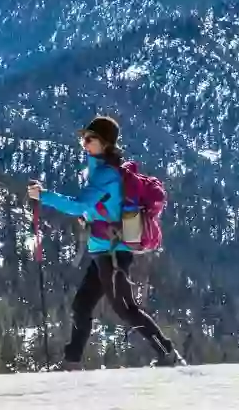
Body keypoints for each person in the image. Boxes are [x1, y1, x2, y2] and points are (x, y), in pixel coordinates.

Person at [28, 115, 185, 369]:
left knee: (124, 308)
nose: (84, 142)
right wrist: (89, 220)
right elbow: (96, 208)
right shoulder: (99, 172)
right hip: (103, 250)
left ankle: (169, 354)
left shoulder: (106, 175)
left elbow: (79, 204)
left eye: (90, 139)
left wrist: (43, 196)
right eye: (83, 138)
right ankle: (72, 361)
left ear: (105, 143)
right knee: (83, 305)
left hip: (114, 252)